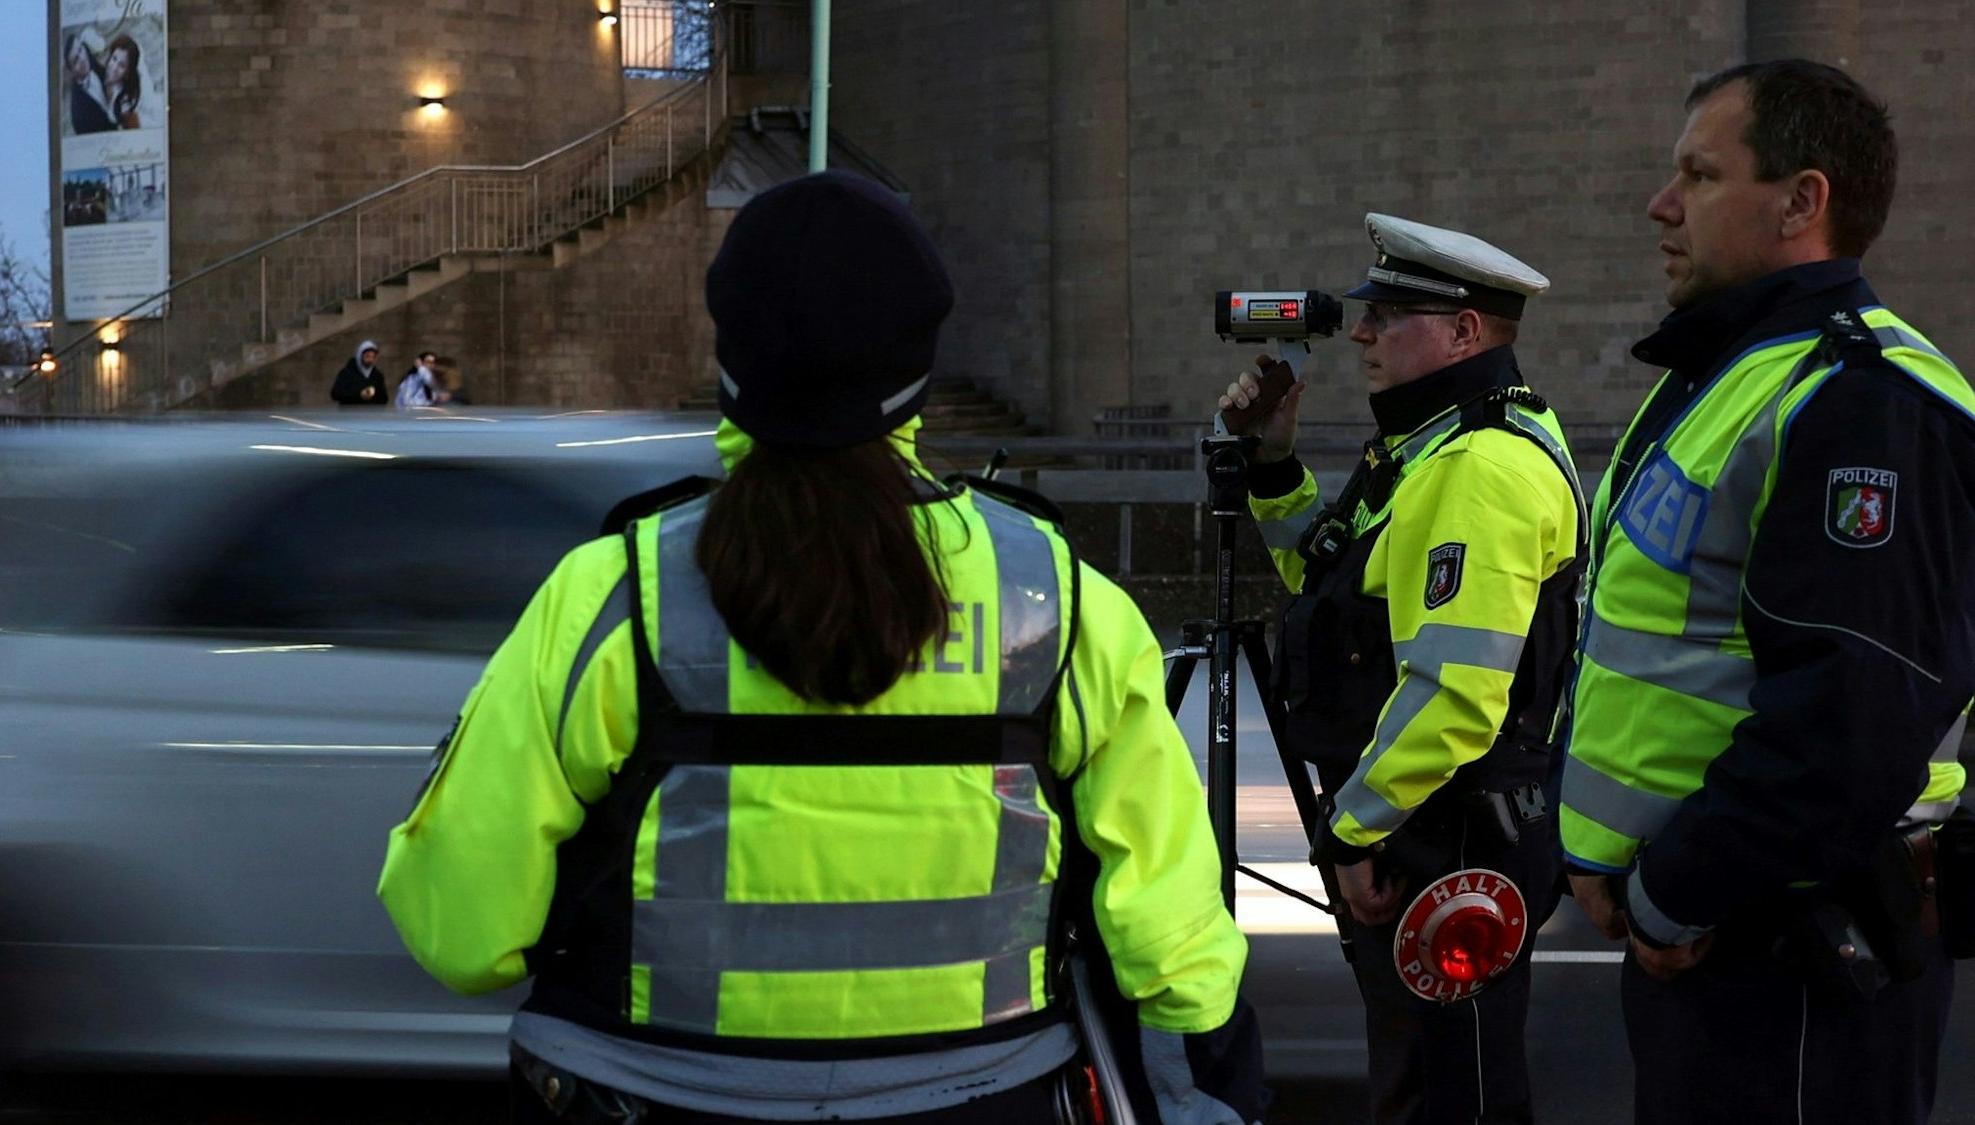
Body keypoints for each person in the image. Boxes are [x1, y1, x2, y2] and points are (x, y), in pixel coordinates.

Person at [379, 170, 1265, 1125]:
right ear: (920, 359)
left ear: (732, 352)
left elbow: (461, 927)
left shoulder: (610, 597)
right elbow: (1176, 953)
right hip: (982, 1097)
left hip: (643, 1097)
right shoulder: (1054, 600)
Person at [1559, 59, 1975, 1124]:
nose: (1659, 206)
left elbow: (1849, 722)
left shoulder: (1855, 399)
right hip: (1717, 940)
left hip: (1784, 951)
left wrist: (1666, 892)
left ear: (1800, 202)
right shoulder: (1736, 376)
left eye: (1696, 174)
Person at [1219, 214, 1583, 1124]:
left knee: (1445, 1095)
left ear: (1465, 332)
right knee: (1435, 1082)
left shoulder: (1479, 469)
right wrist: (1272, 467)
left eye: (1392, 314)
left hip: (1445, 835)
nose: (1361, 332)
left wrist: (1350, 833)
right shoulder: (1433, 446)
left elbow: (1455, 695)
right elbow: (1334, 591)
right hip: (1431, 827)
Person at [62, 30, 114, 136]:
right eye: (76, 60)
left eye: (81, 49)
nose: (82, 59)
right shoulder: (78, 114)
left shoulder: (90, 60)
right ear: (71, 71)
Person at [102, 33, 143, 130]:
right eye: (114, 58)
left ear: (127, 72)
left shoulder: (125, 105)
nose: (114, 67)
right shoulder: (102, 74)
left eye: (121, 65)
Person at [329, 340, 388, 405]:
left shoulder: (377, 376)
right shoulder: (347, 373)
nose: (370, 360)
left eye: (373, 357)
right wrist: (358, 395)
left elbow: (383, 399)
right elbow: (336, 394)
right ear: (360, 356)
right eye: (367, 356)